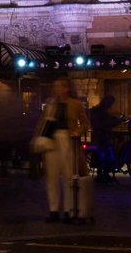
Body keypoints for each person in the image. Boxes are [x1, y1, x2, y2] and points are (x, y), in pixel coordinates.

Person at [32, 77, 88, 223]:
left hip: (67, 139)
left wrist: (77, 132)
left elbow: (85, 123)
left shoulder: (75, 104)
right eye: (55, 86)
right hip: (51, 140)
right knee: (52, 176)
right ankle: (54, 210)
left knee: (69, 176)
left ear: (67, 88)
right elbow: (43, 121)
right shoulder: (51, 103)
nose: (56, 89)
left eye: (60, 86)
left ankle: (70, 210)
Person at [88, 95, 125, 182]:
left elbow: (106, 120)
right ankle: (104, 175)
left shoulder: (98, 110)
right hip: (102, 136)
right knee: (105, 155)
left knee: (102, 155)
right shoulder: (101, 111)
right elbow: (107, 122)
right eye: (110, 104)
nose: (111, 106)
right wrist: (118, 121)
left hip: (99, 136)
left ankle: (103, 174)